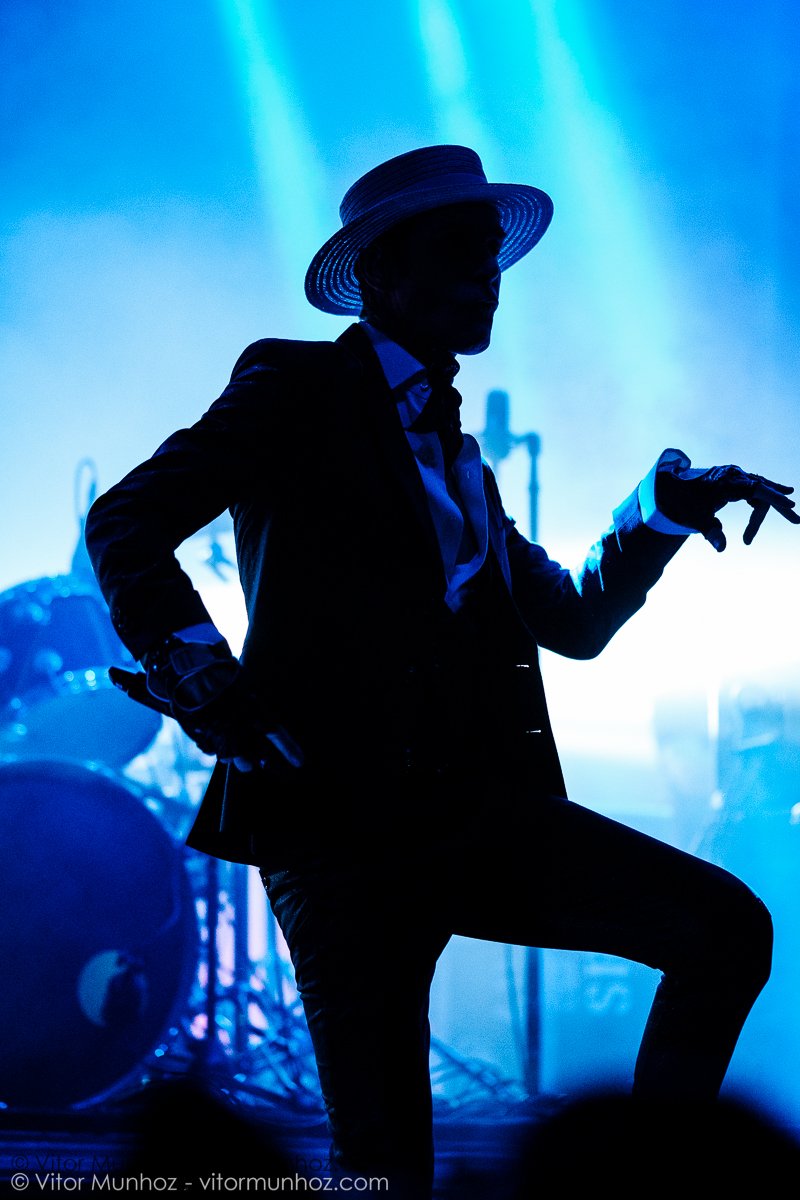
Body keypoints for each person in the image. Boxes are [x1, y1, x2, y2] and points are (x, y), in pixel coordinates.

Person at [85, 145, 799, 1198]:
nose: (485, 279)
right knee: (385, 1169)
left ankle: (653, 1185)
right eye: (457, 256)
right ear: (379, 276)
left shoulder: (461, 459)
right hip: (340, 835)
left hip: (475, 817)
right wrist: (203, 677)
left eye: (491, 260)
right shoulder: (296, 385)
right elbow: (127, 519)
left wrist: (659, 516)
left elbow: (572, 619)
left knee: (724, 929)